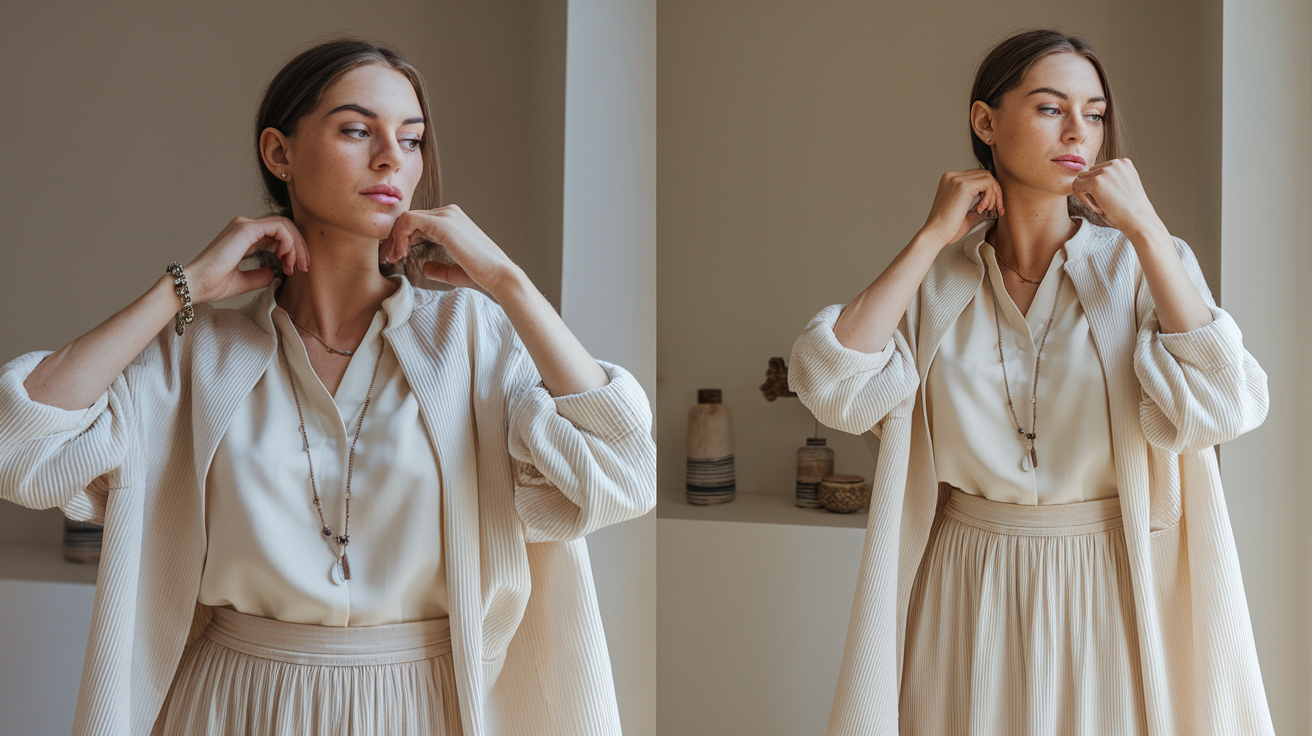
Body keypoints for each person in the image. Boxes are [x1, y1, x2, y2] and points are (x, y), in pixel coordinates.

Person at [0, 37, 654, 736]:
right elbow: (22, 445)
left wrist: (510, 285)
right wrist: (179, 288)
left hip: (428, 707)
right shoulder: (197, 355)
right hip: (231, 706)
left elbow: (622, 472)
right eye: (356, 129)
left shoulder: (473, 337)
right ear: (278, 153)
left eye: (411, 140)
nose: (390, 159)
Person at [788, 28, 1274, 735]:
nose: (1080, 131)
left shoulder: (1142, 266)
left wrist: (1146, 230)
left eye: (1096, 112)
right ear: (986, 122)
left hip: (1108, 579)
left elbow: (1226, 406)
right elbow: (830, 383)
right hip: (963, 579)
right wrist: (929, 238)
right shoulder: (937, 283)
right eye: (1051, 108)